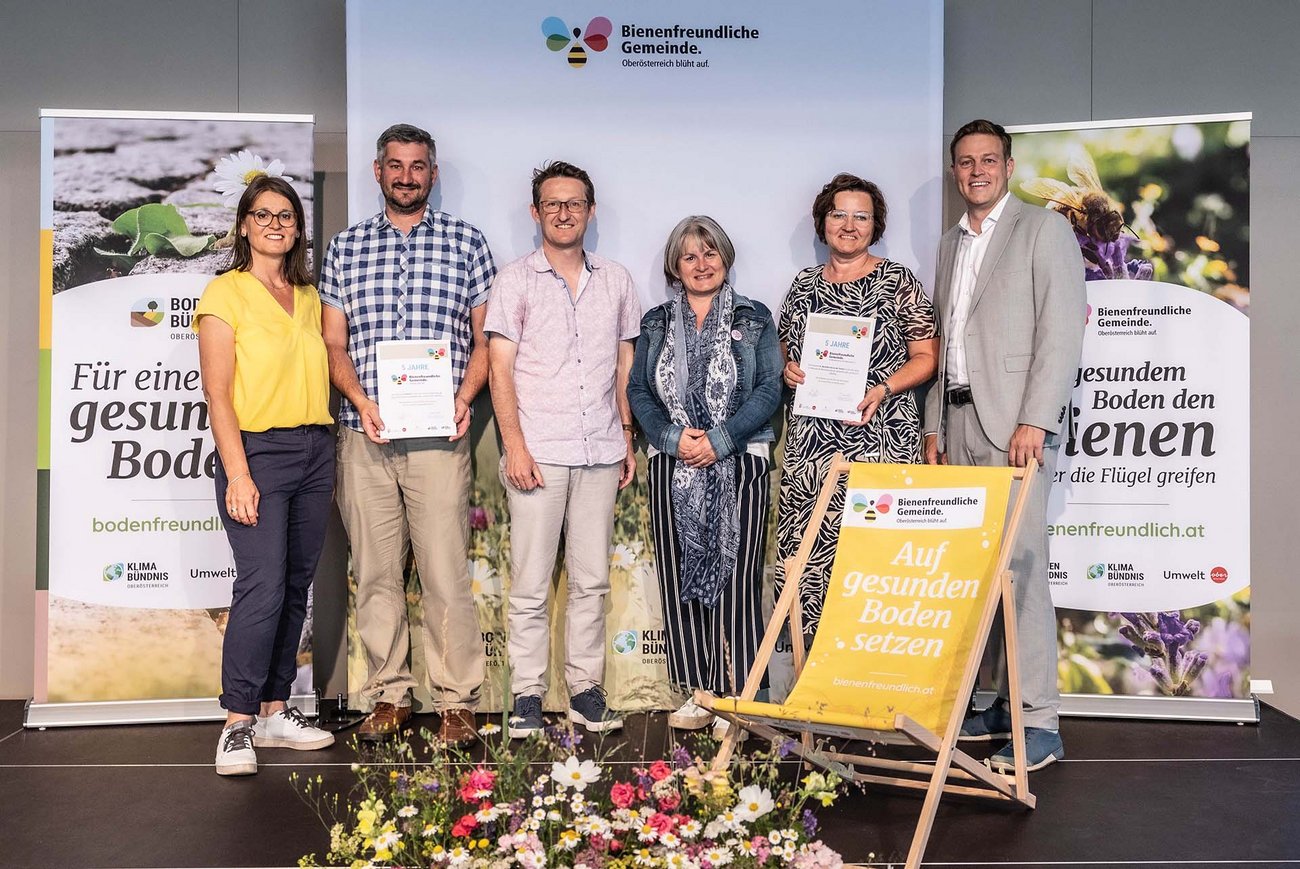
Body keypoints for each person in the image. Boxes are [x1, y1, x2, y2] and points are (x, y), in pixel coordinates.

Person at [319, 123, 494, 747]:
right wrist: (362, 402)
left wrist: (463, 399)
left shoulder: (467, 243)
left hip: (439, 439)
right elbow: (333, 345)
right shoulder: (345, 248)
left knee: (445, 572)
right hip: (364, 435)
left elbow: (485, 342)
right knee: (375, 574)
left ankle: (456, 700)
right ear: (378, 171)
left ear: (432, 173)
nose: (406, 176)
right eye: (395, 165)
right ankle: (389, 694)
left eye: (418, 166)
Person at [925, 119, 1086, 772]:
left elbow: (1061, 332)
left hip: (1015, 426)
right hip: (958, 421)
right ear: (955, 171)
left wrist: (1036, 419)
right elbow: (946, 340)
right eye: (966, 162)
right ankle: (997, 701)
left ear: (1010, 167)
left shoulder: (1043, 229)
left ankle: (1040, 721)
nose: (977, 171)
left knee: (1021, 572)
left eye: (988, 159)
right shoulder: (949, 243)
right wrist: (934, 424)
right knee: (972, 576)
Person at [485, 161, 639, 737]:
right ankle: (526, 695)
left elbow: (624, 366)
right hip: (539, 452)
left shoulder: (617, 280)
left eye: (574, 203)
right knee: (530, 583)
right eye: (552, 203)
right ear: (536, 212)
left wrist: (626, 437)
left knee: (591, 581)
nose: (564, 212)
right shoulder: (515, 281)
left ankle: (585, 691)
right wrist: (514, 446)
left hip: (600, 449)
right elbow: (500, 369)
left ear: (590, 211)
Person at [196, 175, 336, 776]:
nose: (275, 224)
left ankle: (277, 710)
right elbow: (217, 393)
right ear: (244, 225)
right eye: (263, 214)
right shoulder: (224, 292)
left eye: (286, 215)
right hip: (257, 453)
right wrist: (238, 473)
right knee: (262, 586)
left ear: (298, 228)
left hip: (315, 450)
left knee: (297, 586)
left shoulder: (308, 296)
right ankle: (237, 722)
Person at [627, 216, 782, 733]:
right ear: (675, 266)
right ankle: (698, 692)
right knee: (679, 579)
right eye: (689, 256)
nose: (701, 264)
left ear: (725, 258)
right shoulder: (655, 322)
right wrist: (674, 439)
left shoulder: (754, 317)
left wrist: (720, 439)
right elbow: (639, 391)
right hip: (672, 465)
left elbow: (769, 388)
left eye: (710, 253)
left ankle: (739, 695)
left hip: (740, 462)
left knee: (737, 579)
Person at [776, 173, 939, 643]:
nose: (849, 226)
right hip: (811, 453)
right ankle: (809, 672)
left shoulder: (898, 281)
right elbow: (785, 351)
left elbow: (927, 357)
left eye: (861, 217)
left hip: (881, 442)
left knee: (875, 561)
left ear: (875, 226)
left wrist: (884, 387)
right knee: (808, 563)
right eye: (839, 215)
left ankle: (871, 668)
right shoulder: (803, 284)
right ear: (823, 222)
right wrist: (789, 370)